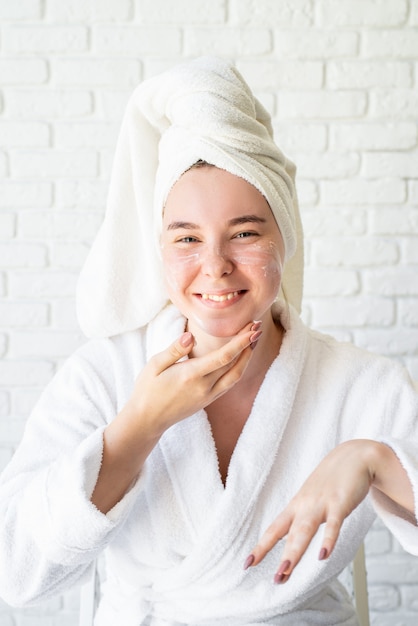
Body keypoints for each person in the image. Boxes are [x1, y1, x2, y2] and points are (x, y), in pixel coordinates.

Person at [0, 56, 417, 626]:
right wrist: (136, 428)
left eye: (245, 233)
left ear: (285, 236)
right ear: (159, 248)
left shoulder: (362, 384)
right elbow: (15, 569)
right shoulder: (104, 375)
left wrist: (378, 460)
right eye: (187, 238)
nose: (215, 267)